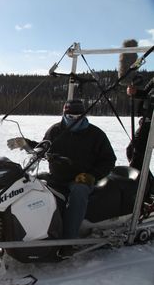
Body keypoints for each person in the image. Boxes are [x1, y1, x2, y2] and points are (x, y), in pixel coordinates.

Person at [8, 99, 116, 239]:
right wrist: (26, 143)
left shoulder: (95, 134)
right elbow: (43, 147)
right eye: (71, 117)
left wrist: (92, 175)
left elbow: (109, 159)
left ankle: (68, 239)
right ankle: (29, 230)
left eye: (79, 116)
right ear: (65, 114)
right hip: (57, 178)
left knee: (79, 192)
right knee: (29, 183)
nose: (75, 120)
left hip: (80, 179)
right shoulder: (55, 130)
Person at [126, 77, 154, 171]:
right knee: (132, 151)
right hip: (148, 122)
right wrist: (135, 92)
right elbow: (145, 93)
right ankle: (145, 183)